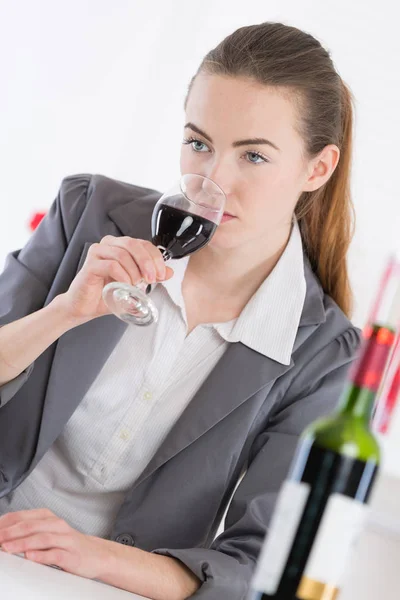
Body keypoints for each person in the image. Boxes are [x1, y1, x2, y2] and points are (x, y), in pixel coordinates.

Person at [0, 21, 361, 600]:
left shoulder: (322, 353)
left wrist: (94, 557)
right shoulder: (88, 213)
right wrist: (65, 312)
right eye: (199, 143)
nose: (212, 180)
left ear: (317, 169)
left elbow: (257, 566)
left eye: (254, 156)